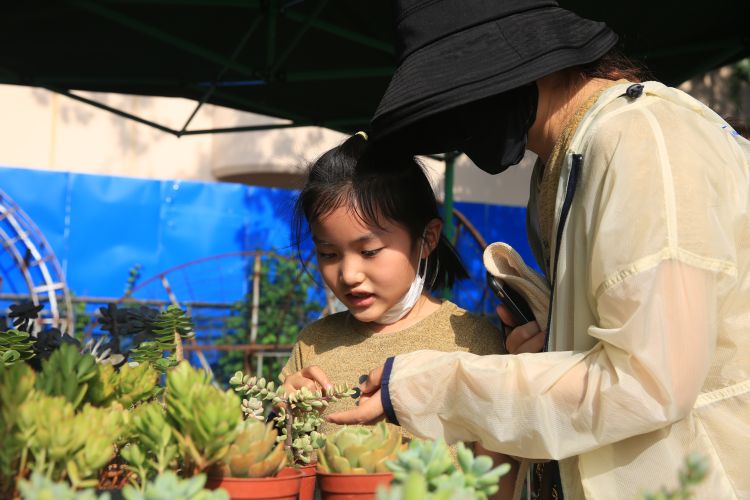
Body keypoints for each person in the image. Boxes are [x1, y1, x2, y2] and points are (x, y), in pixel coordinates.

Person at [325, 1, 750, 499]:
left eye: (462, 90)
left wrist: (437, 385)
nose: (458, 128)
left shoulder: (642, 141)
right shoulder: (563, 163)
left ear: (526, 57)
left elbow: (648, 383)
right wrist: (552, 347)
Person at [279, 132, 520, 497]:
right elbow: (285, 471)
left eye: (370, 251)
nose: (348, 274)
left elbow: (499, 485)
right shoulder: (313, 344)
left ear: (427, 239)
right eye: (328, 253)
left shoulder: (472, 343)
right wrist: (285, 414)